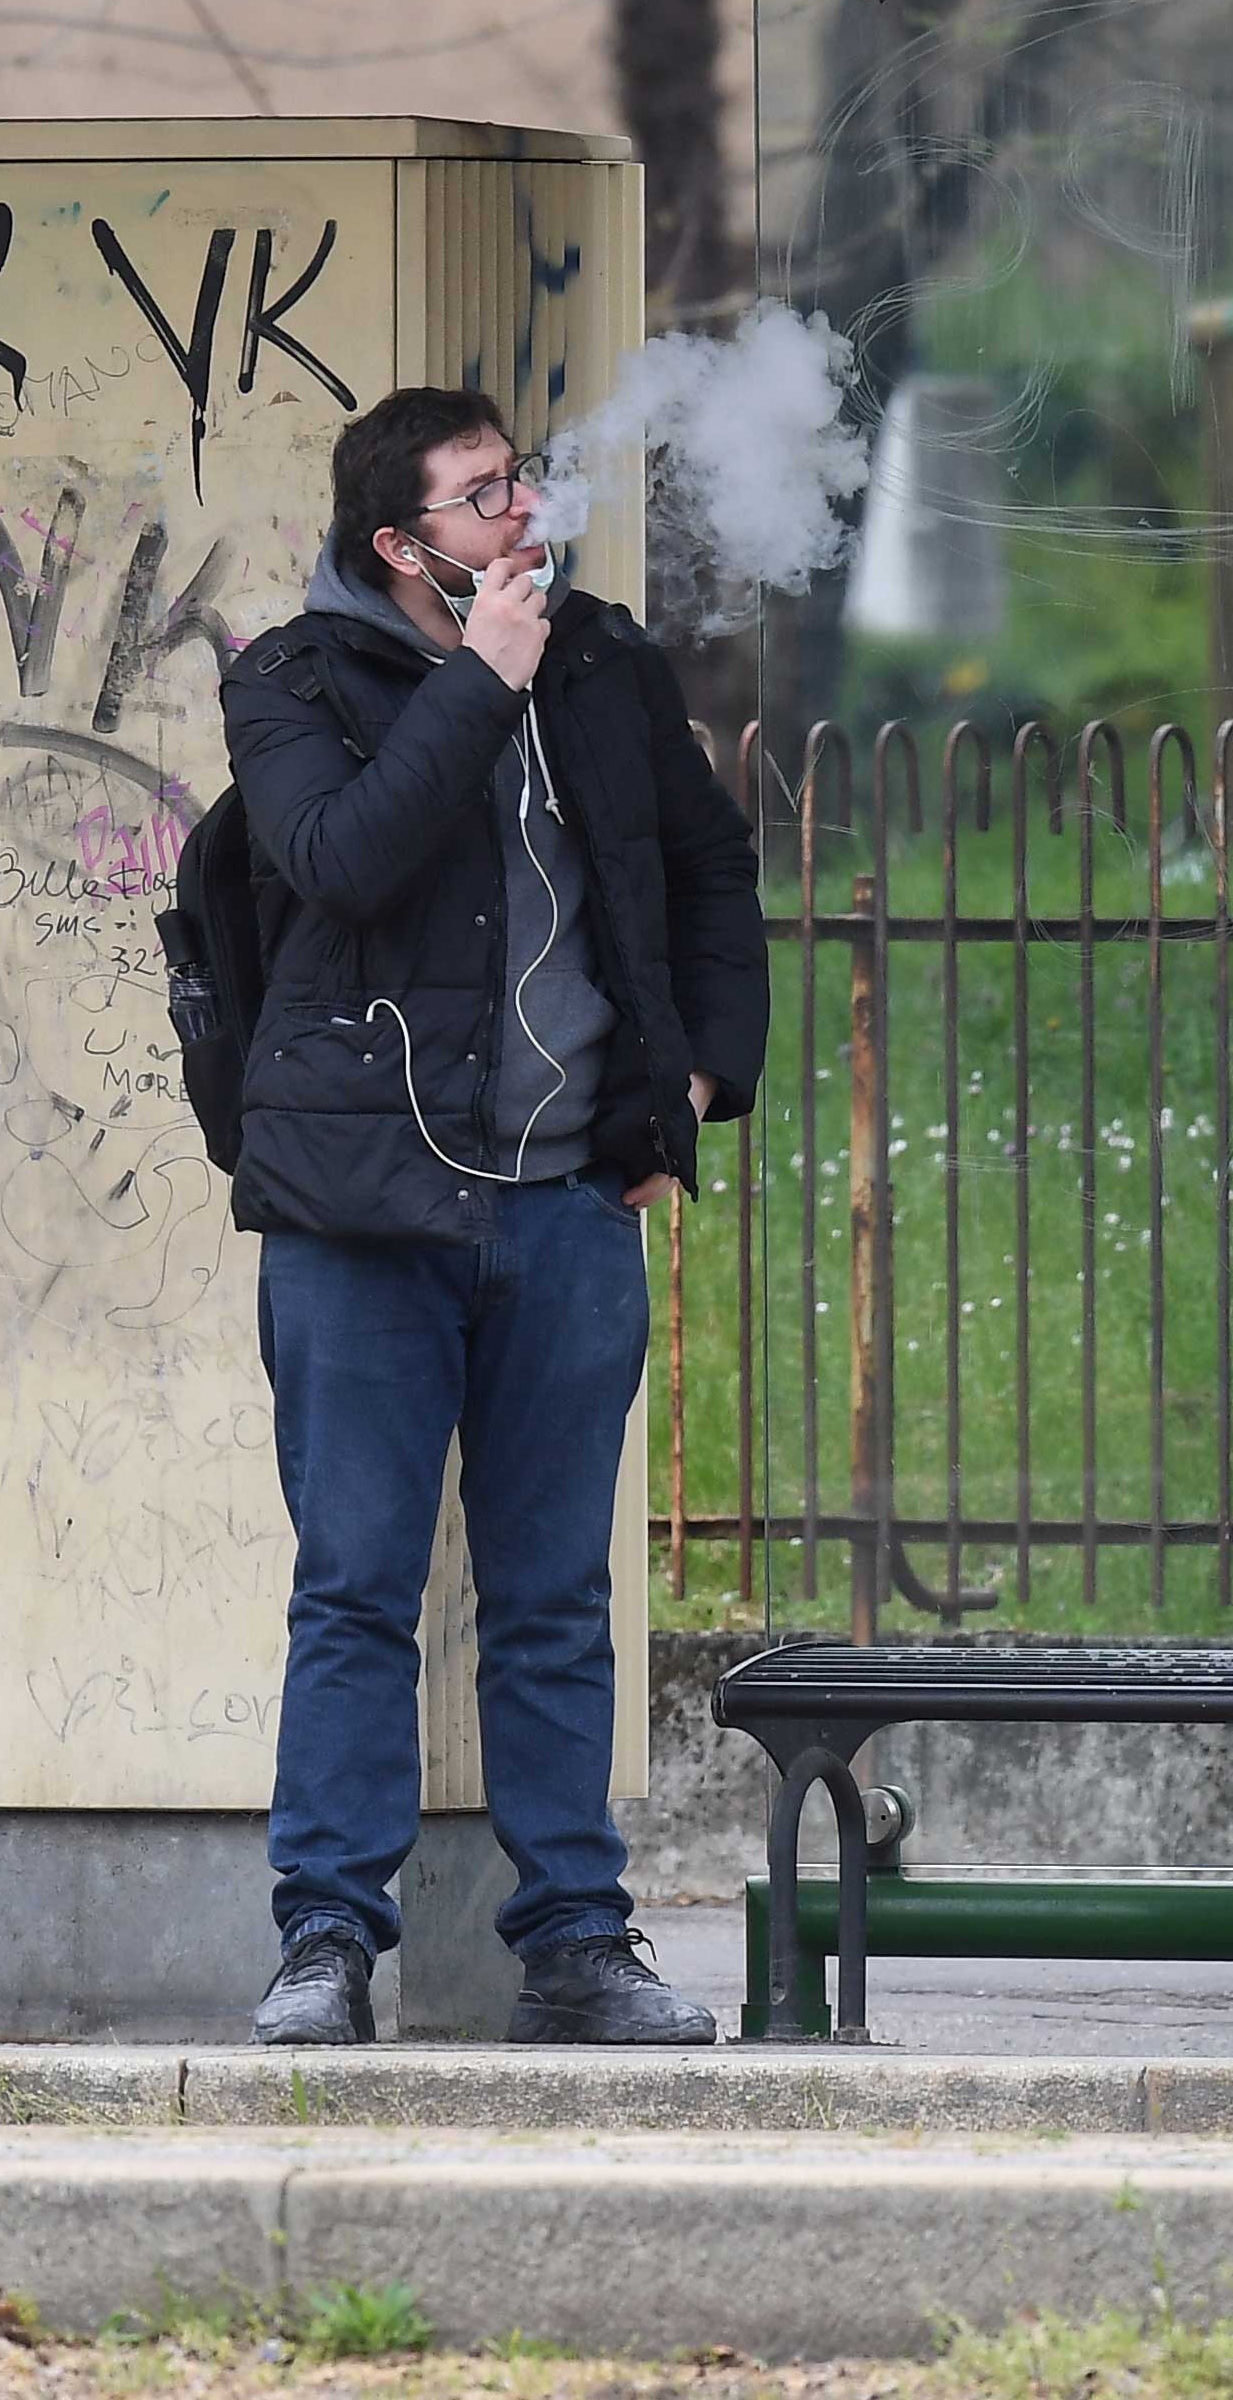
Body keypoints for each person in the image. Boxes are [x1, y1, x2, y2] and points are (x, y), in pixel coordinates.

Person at [218, 382, 766, 2048]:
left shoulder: (601, 663)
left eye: (519, 480)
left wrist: (693, 1085)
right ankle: (325, 1940)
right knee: (357, 1586)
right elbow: (341, 860)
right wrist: (478, 684)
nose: (521, 513)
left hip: (564, 1206)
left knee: (550, 1597)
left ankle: (579, 1940)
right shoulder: (294, 676)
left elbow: (705, 873)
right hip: (359, 1212)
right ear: (400, 545)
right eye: (481, 497)